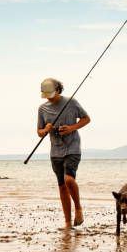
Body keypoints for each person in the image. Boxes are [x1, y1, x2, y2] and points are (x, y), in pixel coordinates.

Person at [37, 78, 91, 229]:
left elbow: (86, 119)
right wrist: (45, 130)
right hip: (55, 150)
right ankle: (68, 223)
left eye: (51, 94)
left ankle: (78, 208)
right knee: (61, 186)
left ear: (59, 90)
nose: (48, 97)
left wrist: (71, 128)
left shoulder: (71, 102)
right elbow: (39, 132)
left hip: (72, 148)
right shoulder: (42, 109)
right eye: (46, 95)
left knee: (69, 180)